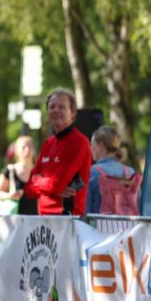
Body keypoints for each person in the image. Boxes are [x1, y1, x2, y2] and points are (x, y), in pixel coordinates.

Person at [24, 88, 92, 216]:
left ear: (72, 113)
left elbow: (57, 184)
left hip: (67, 219)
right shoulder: (48, 144)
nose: (55, 110)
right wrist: (51, 188)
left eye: (61, 107)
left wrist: (38, 181)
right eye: (52, 107)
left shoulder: (78, 142)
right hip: (43, 218)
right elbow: (28, 188)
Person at [85, 126, 140, 215]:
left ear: (101, 146)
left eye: (92, 144)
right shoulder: (130, 173)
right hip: (129, 227)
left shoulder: (92, 172)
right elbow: (138, 206)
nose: (90, 148)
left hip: (100, 227)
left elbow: (86, 211)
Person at [0, 135, 37, 215]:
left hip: (35, 222)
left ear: (34, 150)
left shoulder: (40, 172)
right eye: (23, 147)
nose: (27, 150)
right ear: (17, 151)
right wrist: (10, 195)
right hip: (14, 222)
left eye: (30, 147)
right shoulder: (10, 170)